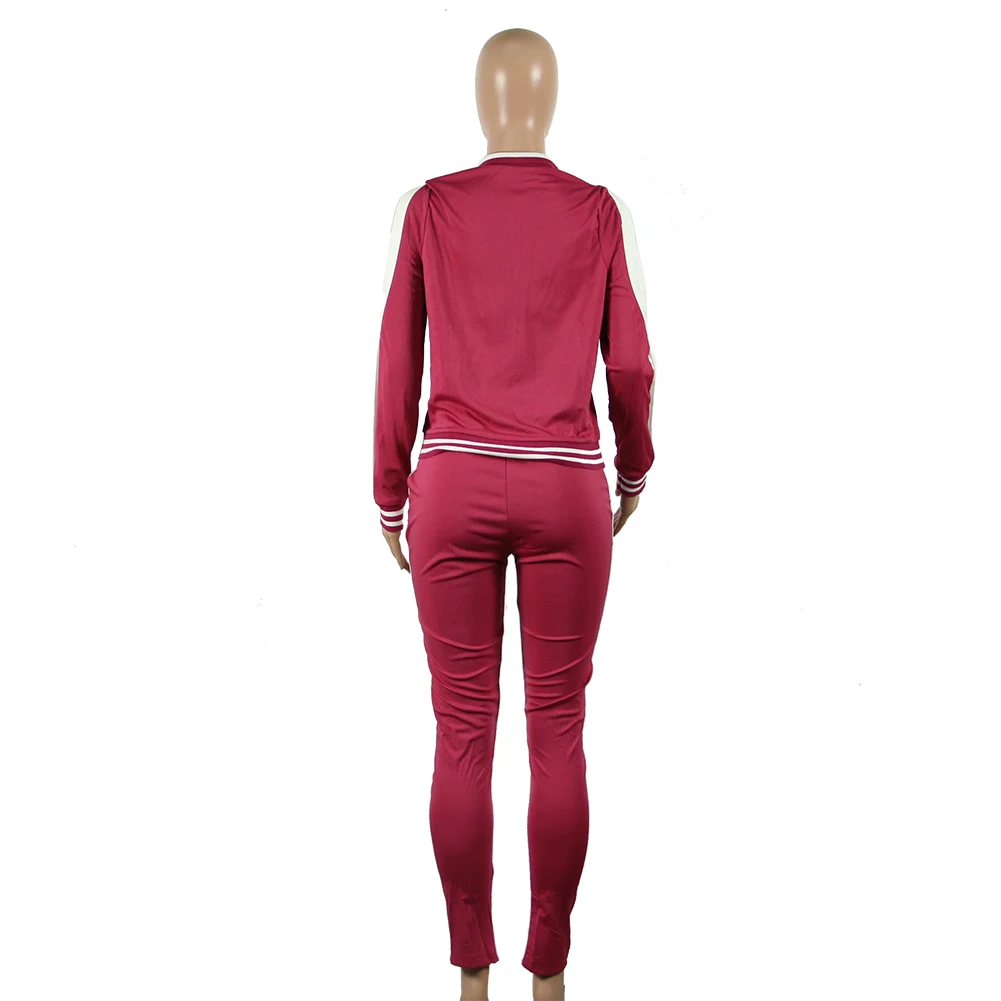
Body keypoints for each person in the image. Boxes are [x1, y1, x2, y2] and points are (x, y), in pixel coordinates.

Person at [371, 28, 656, 1001]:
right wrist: (633, 472)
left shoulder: (430, 206)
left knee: (461, 729)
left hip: (451, 482)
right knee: (557, 729)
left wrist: (388, 491)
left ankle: (470, 972)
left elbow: (397, 358)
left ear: (483, 101)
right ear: (547, 100)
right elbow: (629, 364)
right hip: (566, 482)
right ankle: (550, 971)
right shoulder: (598, 211)